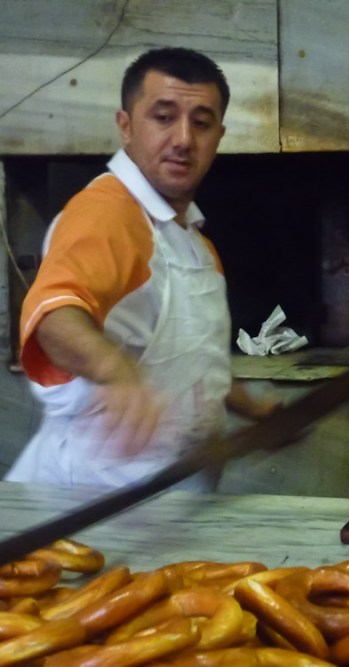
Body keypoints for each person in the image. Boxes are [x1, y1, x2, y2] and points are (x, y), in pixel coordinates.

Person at [5, 47, 277, 491]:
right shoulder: (108, 212)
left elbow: (191, 355)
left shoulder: (192, 240)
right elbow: (53, 314)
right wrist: (117, 372)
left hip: (170, 495)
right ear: (126, 126)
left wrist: (251, 408)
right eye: (163, 117)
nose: (183, 139)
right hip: (94, 499)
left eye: (201, 123)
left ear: (219, 136)